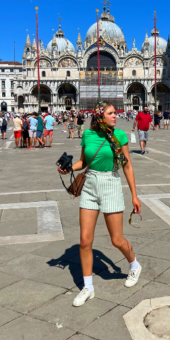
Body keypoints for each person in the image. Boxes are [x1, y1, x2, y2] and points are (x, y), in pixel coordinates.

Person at [58, 102, 141, 307]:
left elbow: (127, 166)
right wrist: (68, 169)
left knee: (117, 240)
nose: (116, 116)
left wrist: (134, 195)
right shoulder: (87, 135)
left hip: (111, 184)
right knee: (85, 241)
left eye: (115, 112)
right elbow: (83, 163)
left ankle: (134, 264)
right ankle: (88, 287)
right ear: (99, 116)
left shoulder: (119, 136)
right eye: (111, 113)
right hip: (90, 186)